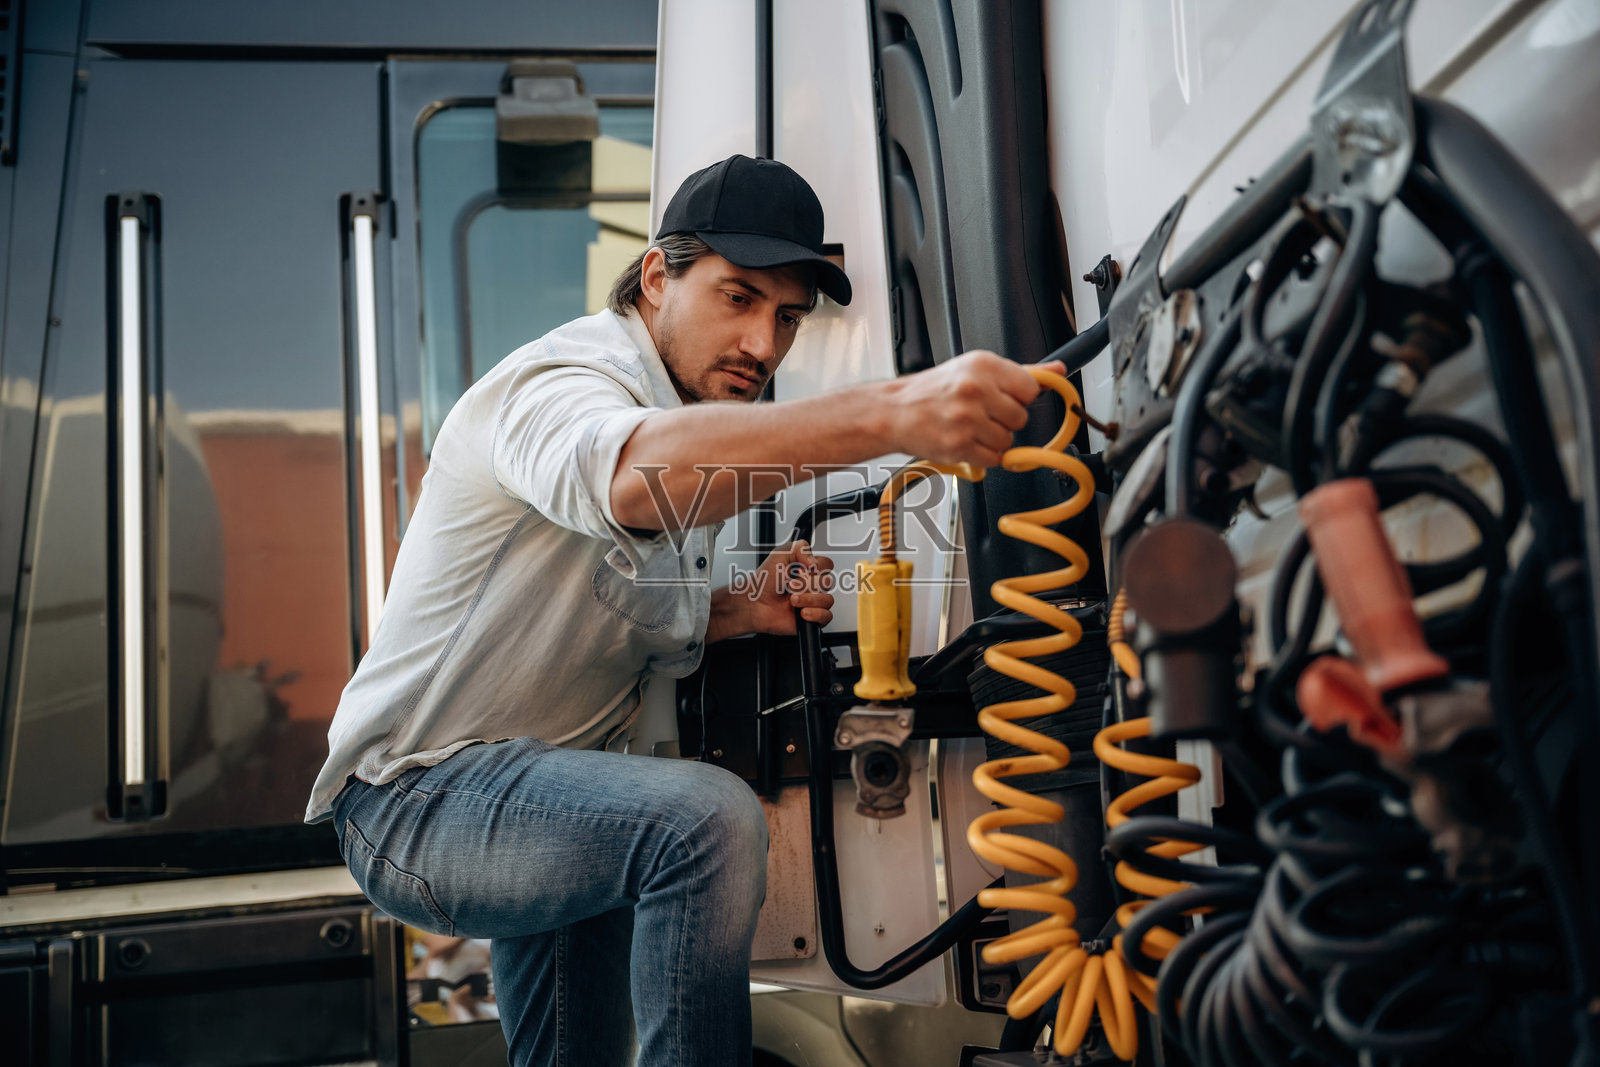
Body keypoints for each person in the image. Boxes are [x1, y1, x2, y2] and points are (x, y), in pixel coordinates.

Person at [306, 154, 1056, 1067]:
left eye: (785, 316)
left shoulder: (685, 406)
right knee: (703, 824)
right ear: (658, 276)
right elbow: (626, 476)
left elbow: (623, 599)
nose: (763, 345)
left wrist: (738, 609)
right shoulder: (560, 381)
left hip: (549, 788)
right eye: (737, 299)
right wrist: (899, 410)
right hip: (417, 800)